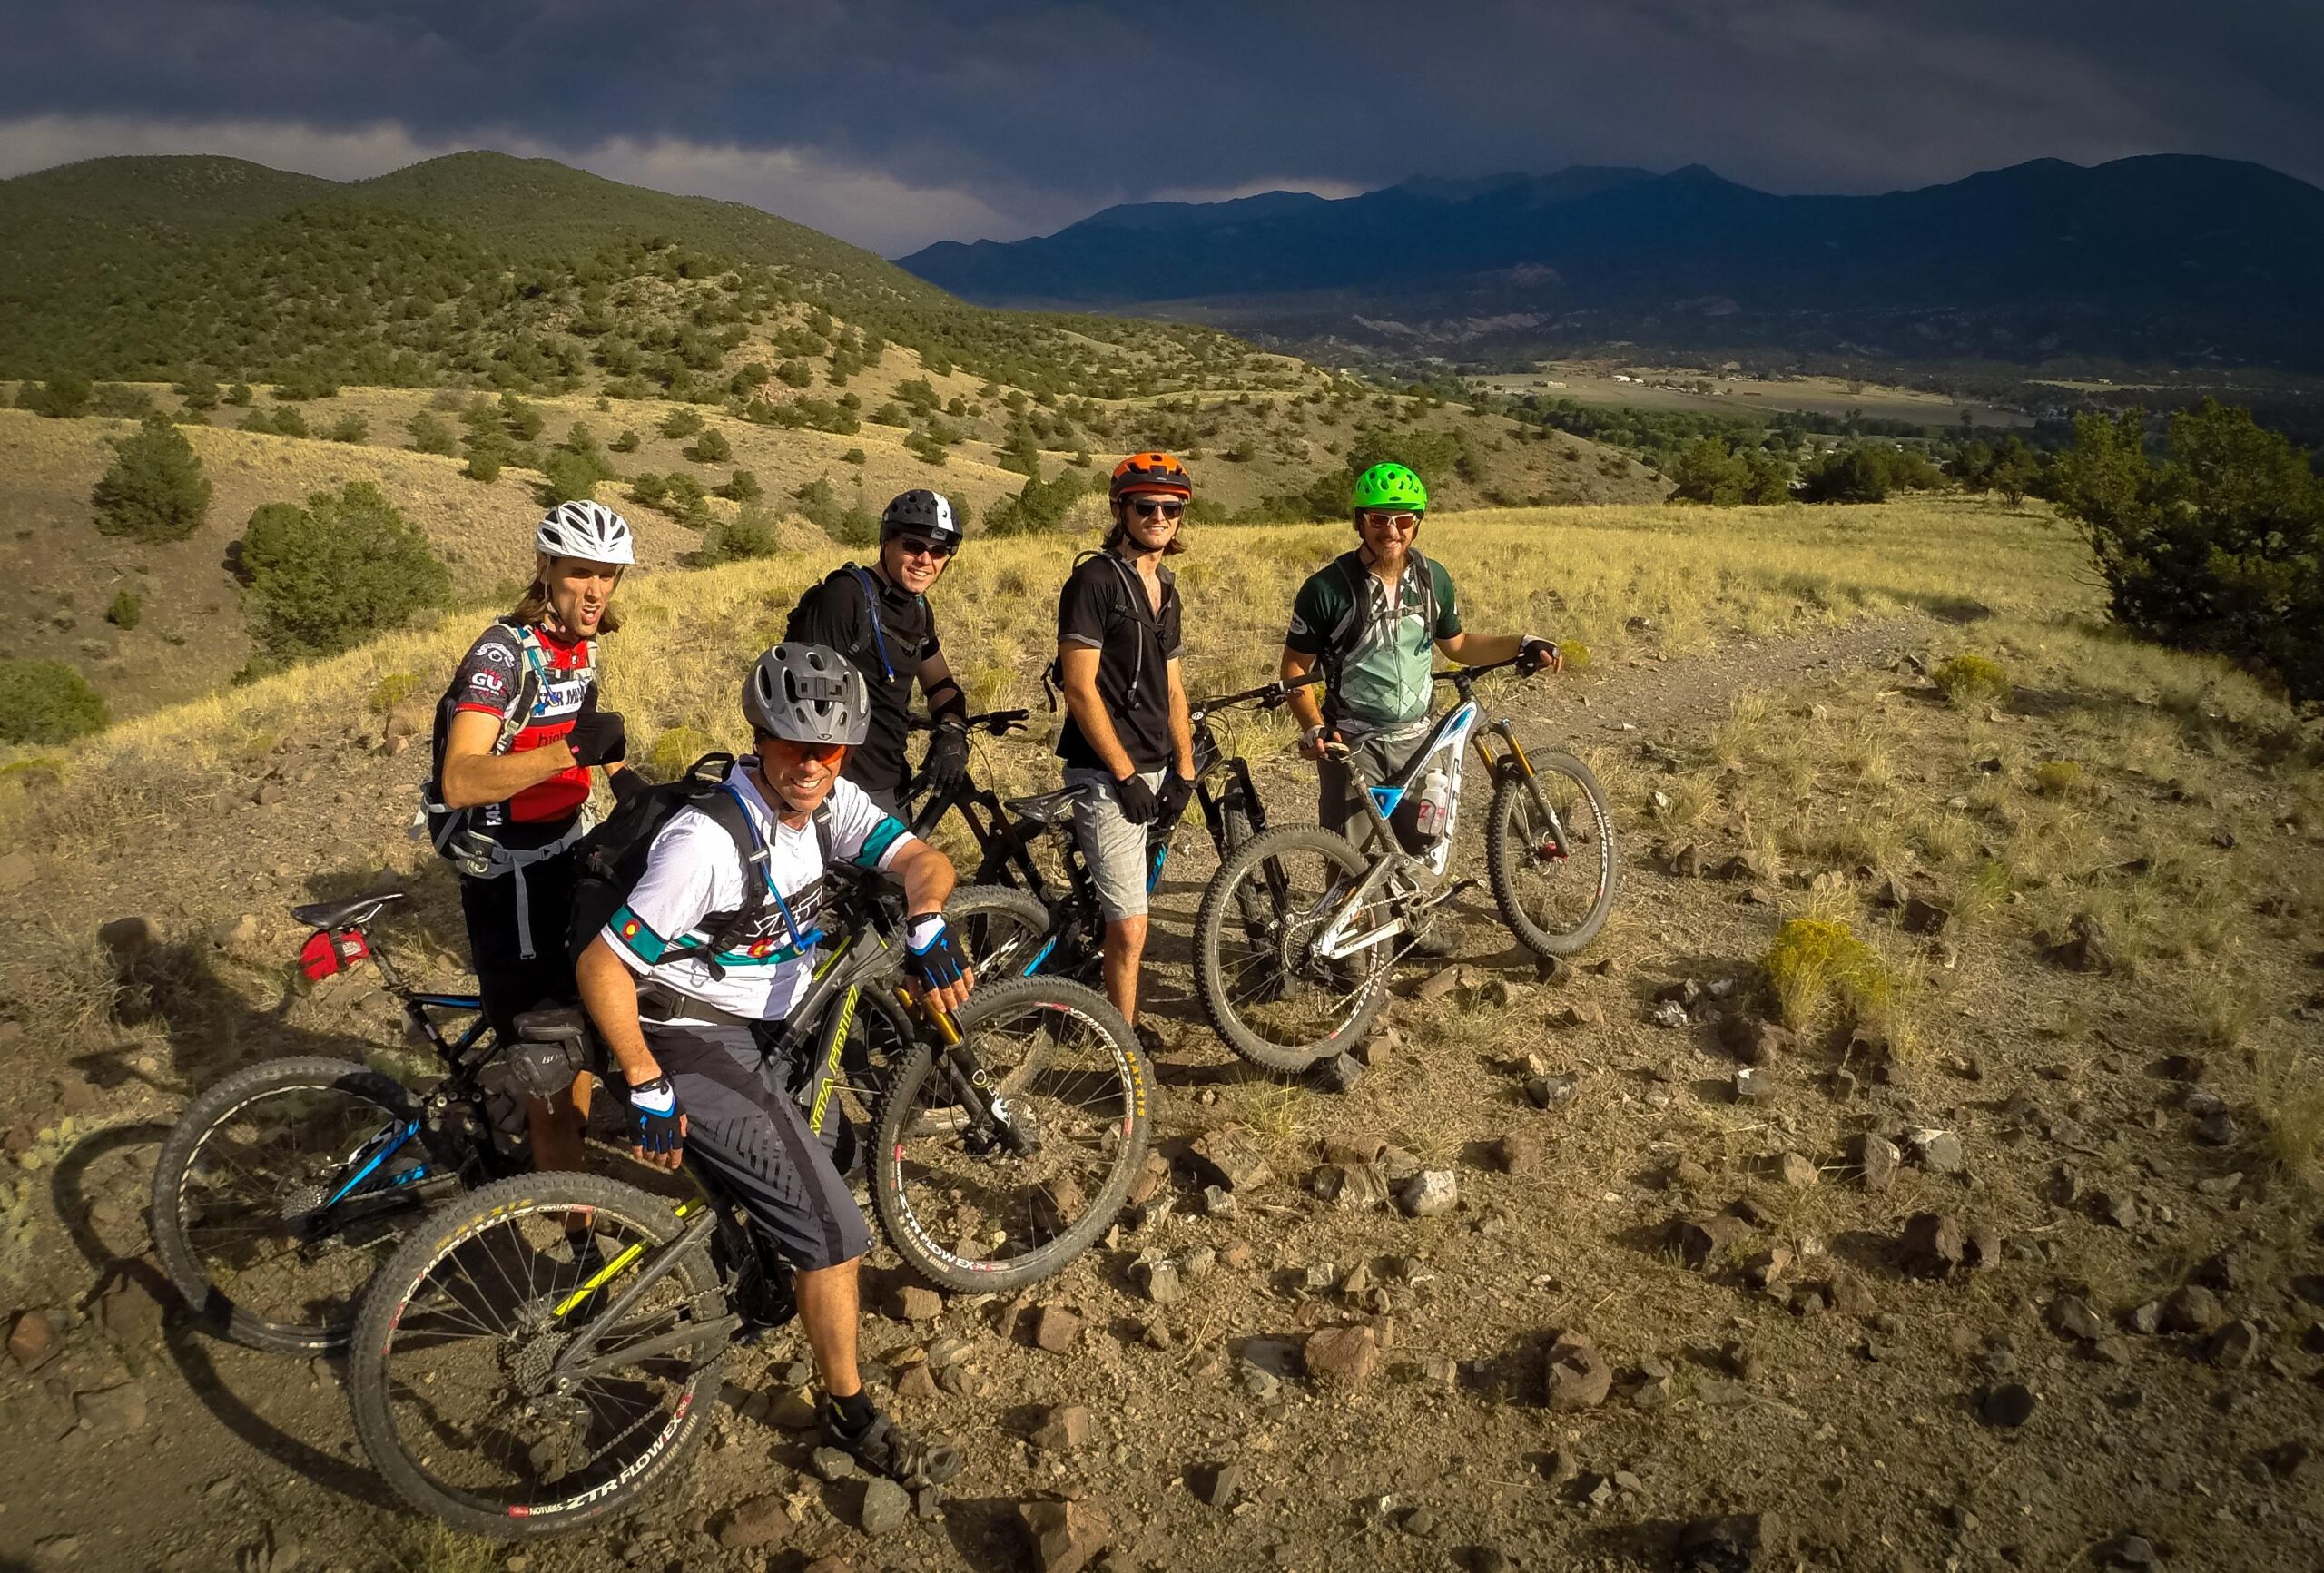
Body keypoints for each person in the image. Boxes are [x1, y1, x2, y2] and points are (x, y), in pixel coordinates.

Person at [573, 643, 971, 1486]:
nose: (812, 765)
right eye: (794, 745)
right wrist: (645, 1077)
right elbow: (604, 966)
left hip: (766, 1021)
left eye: (829, 751)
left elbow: (923, 859)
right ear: (759, 737)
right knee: (833, 1234)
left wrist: (928, 915)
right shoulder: (705, 843)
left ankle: (746, 1265)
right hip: (688, 1028)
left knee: (829, 1150)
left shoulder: (835, 805)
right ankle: (850, 1412)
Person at [432, 499, 637, 1172]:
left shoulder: (582, 643)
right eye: (582, 572)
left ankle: (572, 1175)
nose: (597, 589)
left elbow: (582, 736)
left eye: (609, 574)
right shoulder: (501, 653)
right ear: (546, 568)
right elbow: (460, 779)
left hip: (563, 854)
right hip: (507, 879)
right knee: (550, 1081)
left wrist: (637, 789)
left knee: (579, 1034)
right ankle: (579, 1253)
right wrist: (566, 754)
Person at [1279, 462, 1560, 952]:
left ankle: (1413, 928)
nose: (1391, 530)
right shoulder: (1326, 589)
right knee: (1351, 862)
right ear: (1359, 522)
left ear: (1417, 522)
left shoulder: (1432, 579)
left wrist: (1522, 641)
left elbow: (1459, 645)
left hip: (1419, 739)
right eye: (1378, 519)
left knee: (1420, 848)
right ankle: (1349, 961)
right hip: (1354, 742)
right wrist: (1314, 728)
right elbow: (1295, 670)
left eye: (1403, 520)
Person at [1054, 453, 1199, 1049]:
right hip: (1107, 773)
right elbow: (1079, 687)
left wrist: (1185, 767)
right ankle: (1123, 1041)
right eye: (1147, 506)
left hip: (1156, 765)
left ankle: (1106, 1002)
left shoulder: (1166, 587)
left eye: (1172, 508)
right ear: (1120, 510)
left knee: (1128, 904)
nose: (1160, 516)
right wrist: (1124, 774)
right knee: (1133, 925)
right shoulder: (1094, 582)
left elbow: (1172, 685)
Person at [783, 489, 970, 817]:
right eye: (913, 546)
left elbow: (940, 683)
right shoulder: (846, 597)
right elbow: (803, 700)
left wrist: (953, 733)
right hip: (841, 786)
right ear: (887, 542)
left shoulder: (919, 609)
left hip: (891, 778)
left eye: (939, 551)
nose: (925, 560)